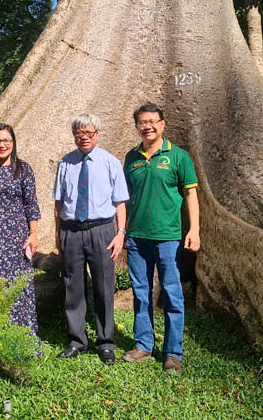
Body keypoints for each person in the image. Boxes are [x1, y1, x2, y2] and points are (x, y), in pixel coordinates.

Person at [120, 103, 200, 374]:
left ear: (163, 124)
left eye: (153, 121)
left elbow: (191, 195)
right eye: (143, 122)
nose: (148, 126)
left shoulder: (178, 157)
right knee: (141, 293)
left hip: (168, 237)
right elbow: (125, 198)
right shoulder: (131, 158)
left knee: (171, 293)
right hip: (136, 238)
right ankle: (143, 345)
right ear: (137, 127)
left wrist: (194, 230)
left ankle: (173, 353)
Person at [53, 113, 129, 365]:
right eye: (79, 133)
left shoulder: (110, 162)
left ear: (97, 134)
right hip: (71, 231)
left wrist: (120, 233)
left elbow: (120, 202)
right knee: (73, 287)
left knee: (103, 287)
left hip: (102, 231)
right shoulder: (65, 163)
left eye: (89, 133)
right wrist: (57, 233)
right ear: (74, 135)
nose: (83, 138)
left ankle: (106, 342)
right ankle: (77, 340)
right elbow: (59, 202)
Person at [0, 123, 41, 340]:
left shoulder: (23, 170)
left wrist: (34, 233)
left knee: (20, 288)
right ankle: (0, 340)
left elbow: (31, 204)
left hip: (18, 239)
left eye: (6, 141)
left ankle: (25, 339)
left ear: (13, 144)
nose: (2, 145)